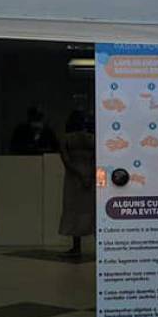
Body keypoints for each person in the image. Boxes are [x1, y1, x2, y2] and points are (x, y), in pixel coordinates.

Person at [59, 110, 95, 256]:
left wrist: (79, 175)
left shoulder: (66, 139)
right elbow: (97, 159)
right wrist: (89, 175)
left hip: (73, 178)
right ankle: (100, 246)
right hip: (91, 176)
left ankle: (76, 248)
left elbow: (66, 161)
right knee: (91, 211)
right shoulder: (93, 138)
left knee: (73, 211)